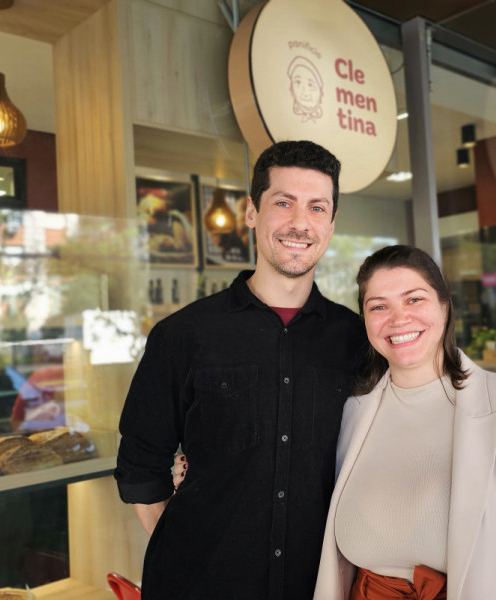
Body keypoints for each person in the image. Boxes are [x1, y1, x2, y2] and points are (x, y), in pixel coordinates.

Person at [114, 140, 367, 599]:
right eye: (283, 202)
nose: (299, 223)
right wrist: (189, 551)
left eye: (316, 207)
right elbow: (140, 466)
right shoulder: (183, 334)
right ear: (252, 212)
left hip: (318, 588)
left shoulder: (357, 340)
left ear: (331, 224)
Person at [313, 245, 496, 599]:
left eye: (414, 300)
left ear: (444, 307)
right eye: (379, 306)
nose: (398, 318)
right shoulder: (353, 412)